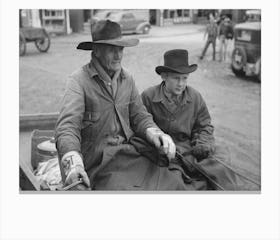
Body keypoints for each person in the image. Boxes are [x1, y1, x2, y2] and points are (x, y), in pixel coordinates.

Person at [55, 20, 201, 191]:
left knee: (172, 182)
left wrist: (157, 134)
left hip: (128, 154)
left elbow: (140, 116)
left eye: (121, 49)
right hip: (98, 164)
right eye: (112, 49)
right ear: (97, 50)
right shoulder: (78, 81)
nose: (118, 56)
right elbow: (67, 127)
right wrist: (73, 163)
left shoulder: (127, 79)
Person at [141, 49, 243, 190]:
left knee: (222, 166)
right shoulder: (148, 96)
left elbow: (205, 126)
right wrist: (158, 145)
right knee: (171, 183)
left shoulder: (195, 97)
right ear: (164, 76)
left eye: (185, 78)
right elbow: (141, 125)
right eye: (176, 78)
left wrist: (202, 144)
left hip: (190, 150)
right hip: (162, 154)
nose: (181, 84)